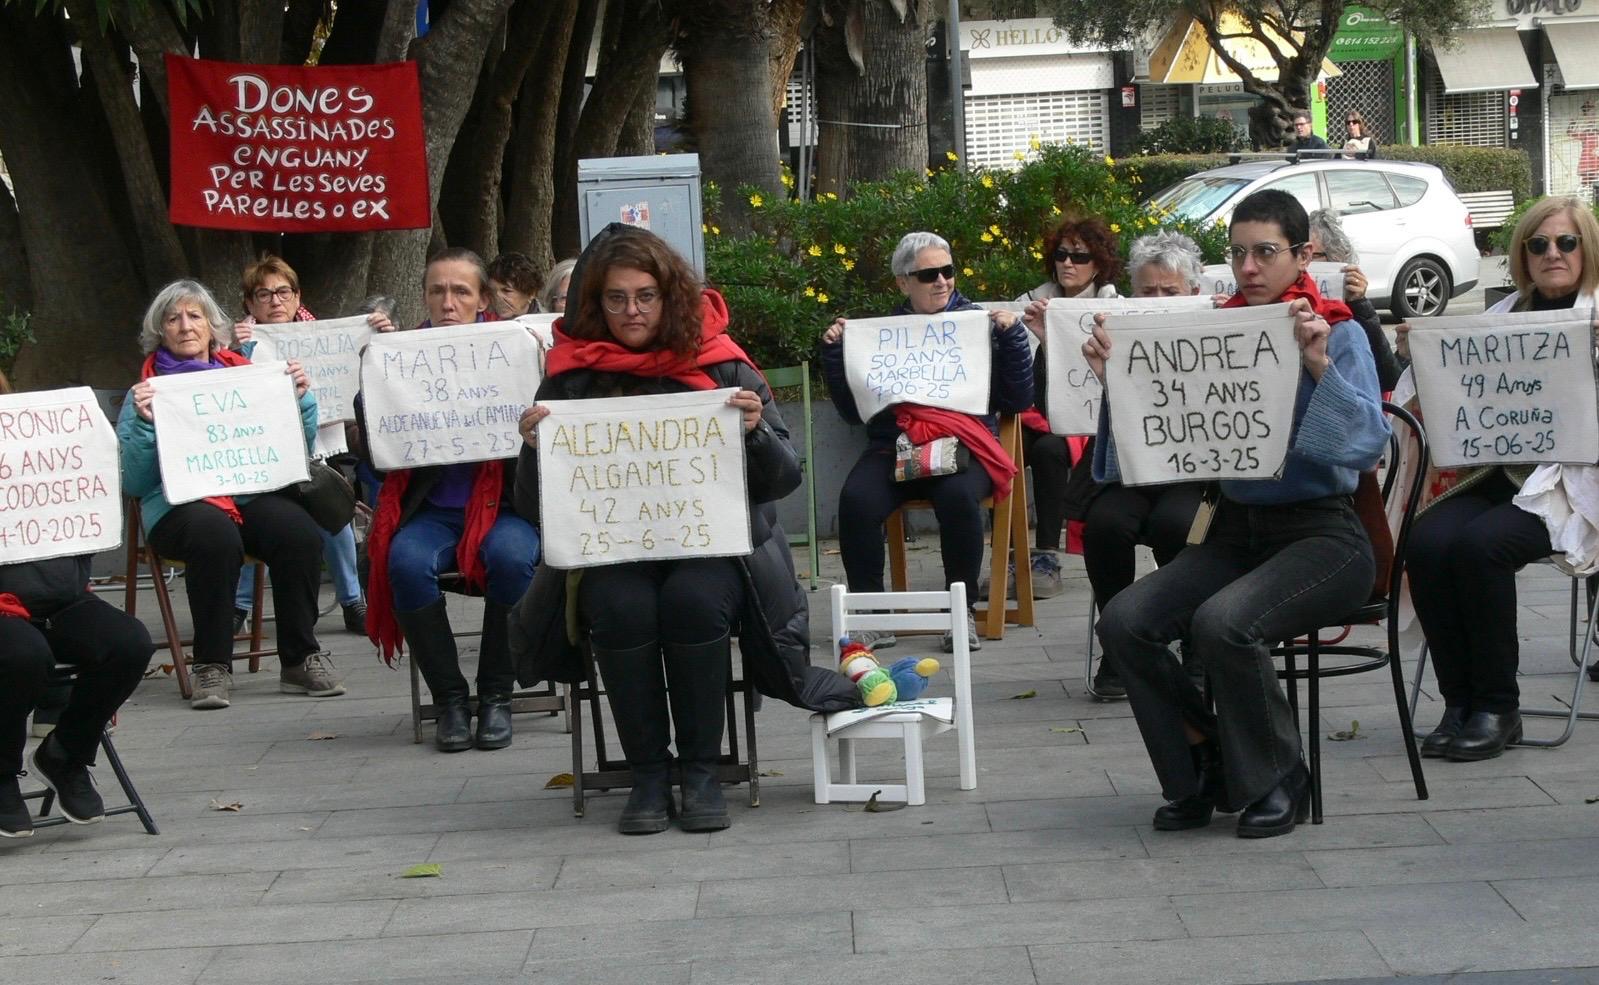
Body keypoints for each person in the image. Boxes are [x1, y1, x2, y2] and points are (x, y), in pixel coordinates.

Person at [511, 224, 858, 834]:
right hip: (613, 552)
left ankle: (700, 770)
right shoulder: (568, 376)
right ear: (595, 303)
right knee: (619, 607)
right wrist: (535, 450)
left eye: (645, 296)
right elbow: (533, 508)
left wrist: (755, 432)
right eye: (616, 298)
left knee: (694, 601)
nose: (632, 311)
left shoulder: (722, 363)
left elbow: (783, 479)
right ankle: (647, 773)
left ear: (669, 295)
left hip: (716, 550)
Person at [1086, 189, 1388, 838]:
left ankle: (1281, 778)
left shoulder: (1338, 331)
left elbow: (1366, 446)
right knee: (1124, 622)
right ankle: (1203, 761)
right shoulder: (1212, 333)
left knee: (1224, 623)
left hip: (1323, 534)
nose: (1248, 267)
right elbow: (1138, 459)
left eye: (1265, 252)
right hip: (1232, 531)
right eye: (1237, 253)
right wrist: (1118, 382)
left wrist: (1318, 366)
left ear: (1303, 254)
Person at [1406, 196, 1599, 761]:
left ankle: (1498, 706)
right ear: (1523, 255)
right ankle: (1459, 702)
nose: (1552, 253)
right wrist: (1418, 357)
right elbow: (1438, 399)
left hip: (1569, 486)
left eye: (1566, 242)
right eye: (1538, 244)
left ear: (1587, 249)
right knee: (1427, 541)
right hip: (1490, 475)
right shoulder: (1497, 320)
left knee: (1480, 547)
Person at [118, 280, 343, 710]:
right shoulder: (146, 393)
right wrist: (145, 425)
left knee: (298, 532)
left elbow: (293, 445)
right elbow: (135, 482)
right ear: (160, 331)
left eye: (195, 316)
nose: (185, 326)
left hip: (247, 494)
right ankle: (211, 665)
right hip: (178, 507)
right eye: (173, 318)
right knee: (215, 535)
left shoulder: (247, 376)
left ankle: (300, 658)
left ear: (212, 326)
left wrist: (300, 400)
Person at [360, 248, 540, 753]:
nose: (448, 302)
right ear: (424, 297)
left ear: (484, 299)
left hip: (506, 507)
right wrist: (372, 379)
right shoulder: (399, 356)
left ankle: (497, 694)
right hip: (432, 513)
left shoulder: (516, 349)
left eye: (461, 291)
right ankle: (450, 700)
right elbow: (377, 458)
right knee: (403, 562)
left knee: (513, 558)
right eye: (437, 290)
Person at [821, 232, 1034, 650]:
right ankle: (870, 615)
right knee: (857, 500)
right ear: (903, 282)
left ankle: (960, 612)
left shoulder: (980, 325)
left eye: (947, 271)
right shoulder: (881, 335)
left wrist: (1012, 340)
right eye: (928, 274)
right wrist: (835, 353)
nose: (942, 281)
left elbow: (1018, 400)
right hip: (894, 447)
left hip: (964, 446)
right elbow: (852, 412)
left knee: (958, 497)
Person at [0, 370, 155, 838]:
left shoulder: (36, 439)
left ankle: (66, 752)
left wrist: (136, 426)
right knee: (23, 655)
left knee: (129, 642)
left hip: (61, 597)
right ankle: (2, 775)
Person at [1072, 231, 1208, 699]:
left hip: (1198, 475)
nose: (1158, 301)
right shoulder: (1115, 337)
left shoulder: (1216, 329)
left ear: (1194, 292)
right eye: (1148, 291)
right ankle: (1120, 644)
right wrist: (1104, 376)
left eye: (1170, 291)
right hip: (1132, 470)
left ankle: (1195, 640)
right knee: (1104, 525)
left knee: (1180, 525)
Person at [229, 255, 394, 637]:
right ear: (250, 303)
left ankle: (353, 600)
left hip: (316, 449)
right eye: (264, 294)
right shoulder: (236, 346)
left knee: (333, 515)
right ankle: (239, 606)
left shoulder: (327, 338)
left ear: (297, 296)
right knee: (251, 518)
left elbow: (372, 370)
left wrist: (380, 336)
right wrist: (237, 350)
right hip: (259, 454)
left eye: (283, 292)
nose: (275, 301)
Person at [1010, 217, 1122, 601]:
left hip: (1091, 419)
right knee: (1003, 450)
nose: (1068, 263)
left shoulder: (1114, 309)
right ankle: (1009, 556)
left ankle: (1046, 555)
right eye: (1061, 255)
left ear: (1099, 264)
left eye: (1079, 256)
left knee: (1049, 450)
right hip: (1035, 410)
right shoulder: (1030, 303)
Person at [1307, 210, 1401, 390]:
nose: (1303, 262)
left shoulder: (1352, 315)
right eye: (1297, 253)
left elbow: (1388, 378)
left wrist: (1359, 303)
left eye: (1312, 255)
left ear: (1335, 258)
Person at [487, 252, 540, 318]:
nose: (497, 297)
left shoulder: (546, 322)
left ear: (531, 293)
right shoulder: (482, 319)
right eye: (492, 291)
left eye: (506, 291)